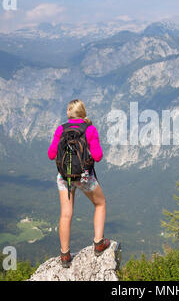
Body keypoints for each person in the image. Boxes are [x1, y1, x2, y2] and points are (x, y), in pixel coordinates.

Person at [47, 99, 110, 267]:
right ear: (84, 113)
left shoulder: (61, 129)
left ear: (68, 113)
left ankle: (65, 255)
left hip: (64, 177)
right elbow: (98, 156)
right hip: (83, 177)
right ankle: (98, 243)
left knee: (66, 214)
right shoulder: (90, 129)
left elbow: (51, 154)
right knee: (100, 203)